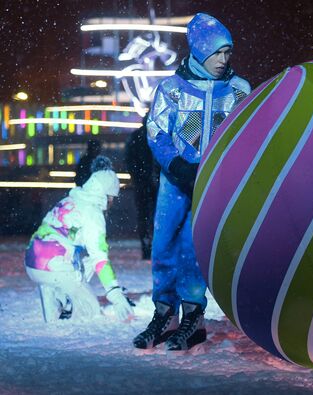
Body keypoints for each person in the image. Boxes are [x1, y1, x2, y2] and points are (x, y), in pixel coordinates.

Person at [133, 13, 251, 350]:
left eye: (228, 52)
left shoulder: (239, 90)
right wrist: (178, 165)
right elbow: (155, 132)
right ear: (199, 51)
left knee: (193, 250)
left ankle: (192, 319)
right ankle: (164, 315)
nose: (224, 60)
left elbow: (250, 134)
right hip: (175, 182)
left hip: (213, 186)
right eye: (217, 52)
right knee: (164, 245)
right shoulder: (171, 89)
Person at [25, 156, 134, 322]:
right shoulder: (93, 214)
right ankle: (62, 295)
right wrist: (115, 293)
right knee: (90, 313)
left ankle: (58, 294)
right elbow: (100, 259)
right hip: (53, 265)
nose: (112, 202)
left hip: (33, 261)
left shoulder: (71, 200)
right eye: (112, 197)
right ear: (105, 195)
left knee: (86, 261)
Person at [125, 114, 159, 260]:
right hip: (150, 183)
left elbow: (130, 160)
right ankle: (150, 246)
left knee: (144, 216)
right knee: (152, 216)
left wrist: (138, 177)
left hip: (143, 183)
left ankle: (146, 246)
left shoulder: (136, 138)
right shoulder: (153, 136)